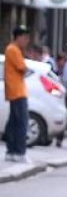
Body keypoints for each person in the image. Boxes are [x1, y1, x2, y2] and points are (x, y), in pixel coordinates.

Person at [4, 26, 32, 163]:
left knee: (14, 122)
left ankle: (11, 150)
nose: (26, 41)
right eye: (25, 38)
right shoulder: (13, 50)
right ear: (18, 37)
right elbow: (23, 68)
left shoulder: (13, 49)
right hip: (17, 91)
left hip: (14, 90)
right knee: (21, 122)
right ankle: (19, 151)